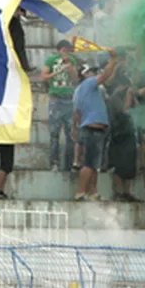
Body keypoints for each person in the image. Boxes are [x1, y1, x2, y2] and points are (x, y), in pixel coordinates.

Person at [72, 56, 121, 201]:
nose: (94, 74)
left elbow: (76, 114)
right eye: (91, 71)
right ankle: (81, 192)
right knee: (89, 163)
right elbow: (106, 76)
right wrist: (113, 60)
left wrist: (76, 129)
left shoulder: (78, 90)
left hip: (89, 128)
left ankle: (93, 192)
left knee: (94, 164)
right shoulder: (89, 83)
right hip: (93, 128)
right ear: (85, 74)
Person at [42, 40, 79, 171]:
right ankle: (54, 162)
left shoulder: (72, 60)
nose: (67, 51)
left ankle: (69, 163)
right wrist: (58, 72)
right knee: (54, 132)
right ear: (61, 49)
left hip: (69, 98)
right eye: (66, 49)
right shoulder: (51, 60)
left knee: (71, 133)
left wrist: (69, 65)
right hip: (56, 99)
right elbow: (44, 76)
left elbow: (75, 79)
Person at [106, 84, 139, 202]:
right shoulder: (114, 99)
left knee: (130, 165)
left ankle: (127, 192)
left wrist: (132, 96)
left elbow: (136, 110)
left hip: (130, 136)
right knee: (118, 165)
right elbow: (124, 111)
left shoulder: (127, 96)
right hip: (118, 136)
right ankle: (119, 192)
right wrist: (129, 95)